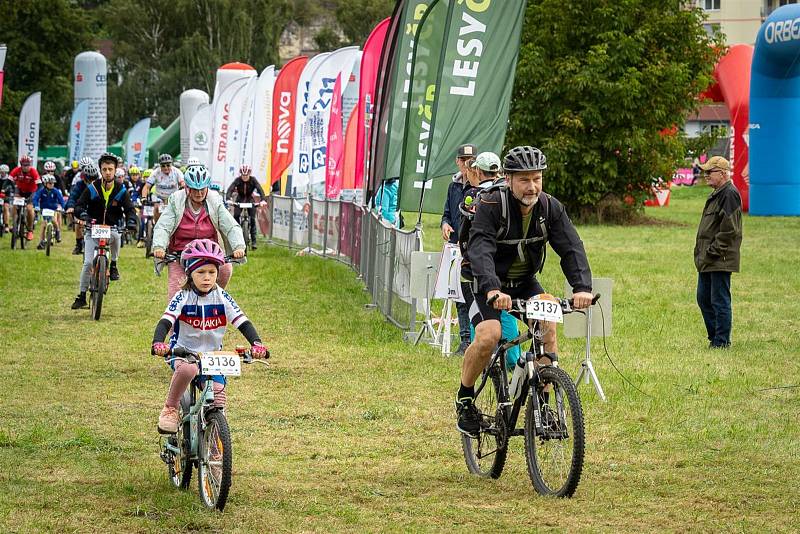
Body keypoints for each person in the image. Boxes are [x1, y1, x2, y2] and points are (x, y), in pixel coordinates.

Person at [455, 146, 594, 437]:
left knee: (547, 325)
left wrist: (581, 287)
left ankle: (543, 404)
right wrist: (493, 290)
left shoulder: (549, 208)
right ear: (508, 180)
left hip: (523, 280)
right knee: (490, 334)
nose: (532, 186)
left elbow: (571, 247)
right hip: (483, 281)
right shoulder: (491, 206)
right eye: (524, 180)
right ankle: (465, 399)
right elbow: (480, 250)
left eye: (537, 179)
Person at [150, 238, 268, 433]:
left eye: (212, 272)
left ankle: (215, 448)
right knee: (188, 370)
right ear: (190, 274)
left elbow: (242, 321)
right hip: (183, 352)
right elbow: (165, 321)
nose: (207, 278)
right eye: (201, 272)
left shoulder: (221, 296)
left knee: (218, 400)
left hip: (213, 356)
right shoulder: (182, 296)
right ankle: (170, 408)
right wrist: (158, 343)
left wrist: (257, 344)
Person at [152, 165, 246, 300]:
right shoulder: (176, 200)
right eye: (194, 189)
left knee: (225, 270)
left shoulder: (215, 201)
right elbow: (163, 226)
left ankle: (211, 297)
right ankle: (175, 319)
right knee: (175, 295)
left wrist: (239, 247)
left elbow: (230, 226)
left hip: (208, 253)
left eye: (202, 189)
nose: (199, 193)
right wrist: (159, 247)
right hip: (180, 255)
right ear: (187, 188)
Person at [71, 153, 137, 309]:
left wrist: (132, 221)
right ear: (100, 170)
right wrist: (83, 214)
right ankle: (81, 296)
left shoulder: (121, 190)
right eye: (104, 169)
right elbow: (79, 205)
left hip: (111, 228)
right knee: (87, 263)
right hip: (92, 229)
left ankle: (113, 264)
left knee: (116, 236)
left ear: (115, 171)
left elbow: (130, 209)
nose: (108, 172)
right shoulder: (92, 188)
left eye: (110, 169)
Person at [694, 156, 743, 349]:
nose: (706, 176)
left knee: (719, 300)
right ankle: (715, 338)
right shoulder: (717, 193)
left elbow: (730, 230)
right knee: (703, 298)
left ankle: (722, 342)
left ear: (722, 174)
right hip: (708, 257)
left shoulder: (729, 194)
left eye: (710, 172)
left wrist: (713, 250)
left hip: (719, 257)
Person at [441, 144, 478, 354]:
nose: (467, 164)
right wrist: (445, 224)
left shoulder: (478, 184)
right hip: (455, 246)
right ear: (458, 161)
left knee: (474, 295)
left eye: (471, 160)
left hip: (473, 248)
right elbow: (447, 213)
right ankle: (464, 339)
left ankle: (473, 338)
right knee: (459, 295)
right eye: (464, 160)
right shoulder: (453, 185)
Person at [226, 164, 266, 250]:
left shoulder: (253, 180)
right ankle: (237, 234)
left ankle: (254, 242)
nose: (244, 177)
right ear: (241, 174)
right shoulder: (238, 180)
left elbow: (260, 189)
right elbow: (230, 189)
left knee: (252, 219)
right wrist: (228, 198)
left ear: (249, 174)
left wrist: (263, 200)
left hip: (249, 199)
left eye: (246, 175)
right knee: (236, 216)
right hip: (239, 199)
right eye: (243, 175)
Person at [65, 158, 97, 255]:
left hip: (95, 207)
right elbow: (73, 196)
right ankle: (78, 244)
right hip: (82, 206)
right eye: (89, 180)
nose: (92, 182)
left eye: (93, 179)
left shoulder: (100, 182)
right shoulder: (78, 182)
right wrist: (70, 206)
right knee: (78, 223)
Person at [141, 153, 184, 223]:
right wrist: (143, 197)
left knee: (178, 212)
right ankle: (157, 226)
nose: (166, 168)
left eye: (168, 165)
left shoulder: (177, 172)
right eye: (163, 166)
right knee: (157, 208)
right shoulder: (156, 173)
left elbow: (183, 184)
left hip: (173, 196)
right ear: (160, 166)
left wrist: (182, 186)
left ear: (171, 164)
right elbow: (146, 187)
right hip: (160, 197)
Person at [9, 154, 41, 241]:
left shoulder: (33, 172)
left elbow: (40, 185)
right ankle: (14, 223)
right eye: (24, 165)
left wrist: (37, 195)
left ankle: (30, 231)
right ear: (21, 164)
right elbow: (9, 180)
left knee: (30, 209)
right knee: (15, 206)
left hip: (31, 192)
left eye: (27, 165)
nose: (25, 166)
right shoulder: (17, 170)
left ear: (30, 164)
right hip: (20, 191)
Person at [32, 174, 66, 248]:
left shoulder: (56, 191)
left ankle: (57, 231)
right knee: (44, 224)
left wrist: (63, 207)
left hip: (54, 209)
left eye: (53, 183)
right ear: (45, 183)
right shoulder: (41, 191)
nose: (52, 185)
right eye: (50, 183)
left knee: (54, 220)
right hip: (44, 209)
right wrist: (36, 206)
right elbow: (35, 198)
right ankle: (41, 241)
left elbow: (61, 200)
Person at [0, 164, 13, 233]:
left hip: (6, 195)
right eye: (1, 172)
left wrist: (5, 191)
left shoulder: (9, 179)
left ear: (6, 172)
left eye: (3, 172)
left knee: (6, 208)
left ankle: (7, 225)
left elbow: (11, 188)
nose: (2, 173)